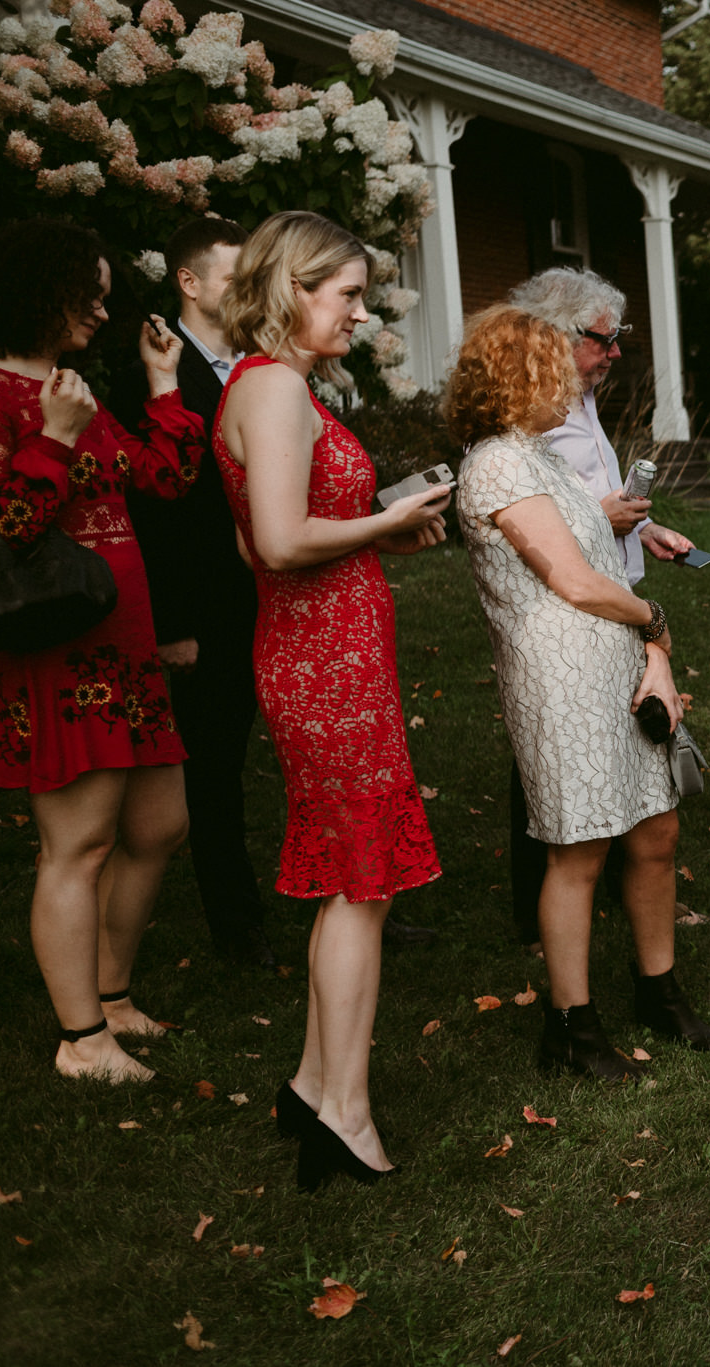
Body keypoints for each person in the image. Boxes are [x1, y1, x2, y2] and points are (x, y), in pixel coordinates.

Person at [210, 211, 448, 1191]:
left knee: (359, 876)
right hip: (324, 664)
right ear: (291, 287)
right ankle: (343, 1111)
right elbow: (272, 541)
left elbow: (254, 538)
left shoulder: (267, 387)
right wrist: (386, 516)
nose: (359, 311)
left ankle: (313, 1084)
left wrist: (371, 535)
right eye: (344, 293)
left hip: (327, 647)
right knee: (363, 882)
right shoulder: (271, 389)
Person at [449, 305, 710, 1077]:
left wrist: (651, 654)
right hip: (557, 678)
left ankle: (658, 989)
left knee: (655, 830)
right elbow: (568, 578)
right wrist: (654, 616)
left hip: (615, 659)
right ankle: (572, 1027)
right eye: (555, 368)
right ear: (515, 376)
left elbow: (599, 558)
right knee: (579, 848)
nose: (571, 380)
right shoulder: (496, 462)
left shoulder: (545, 457)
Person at [0, 218, 204, 1083]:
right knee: (76, 846)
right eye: (91, 290)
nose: (102, 306)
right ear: (40, 286)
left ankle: (112, 994)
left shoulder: (70, 384)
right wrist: (51, 436)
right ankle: (81, 1038)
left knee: (160, 824)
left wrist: (162, 385)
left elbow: (163, 476)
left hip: (125, 647)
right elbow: (10, 526)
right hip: (59, 651)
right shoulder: (9, 395)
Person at [499, 267, 694, 949]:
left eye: (616, 342)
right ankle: (541, 909)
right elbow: (526, 512)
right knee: (551, 764)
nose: (614, 355)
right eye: (602, 341)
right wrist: (599, 515)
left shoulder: (580, 401)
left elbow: (595, 496)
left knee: (622, 748)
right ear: (555, 334)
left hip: (614, 585)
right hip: (563, 612)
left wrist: (642, 527)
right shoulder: (520, 416)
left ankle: (621, 883)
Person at [100, 217, 273, 970]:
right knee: (214, 773)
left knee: (311, 760)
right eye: (236, 279)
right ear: (189, 282)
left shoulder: (266, 365)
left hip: (285, 595)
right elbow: (151, 515)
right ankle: (239, 930)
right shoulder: (145, 371)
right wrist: (176, 626)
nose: (250, 293)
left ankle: (356, 896)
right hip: (208, 608)